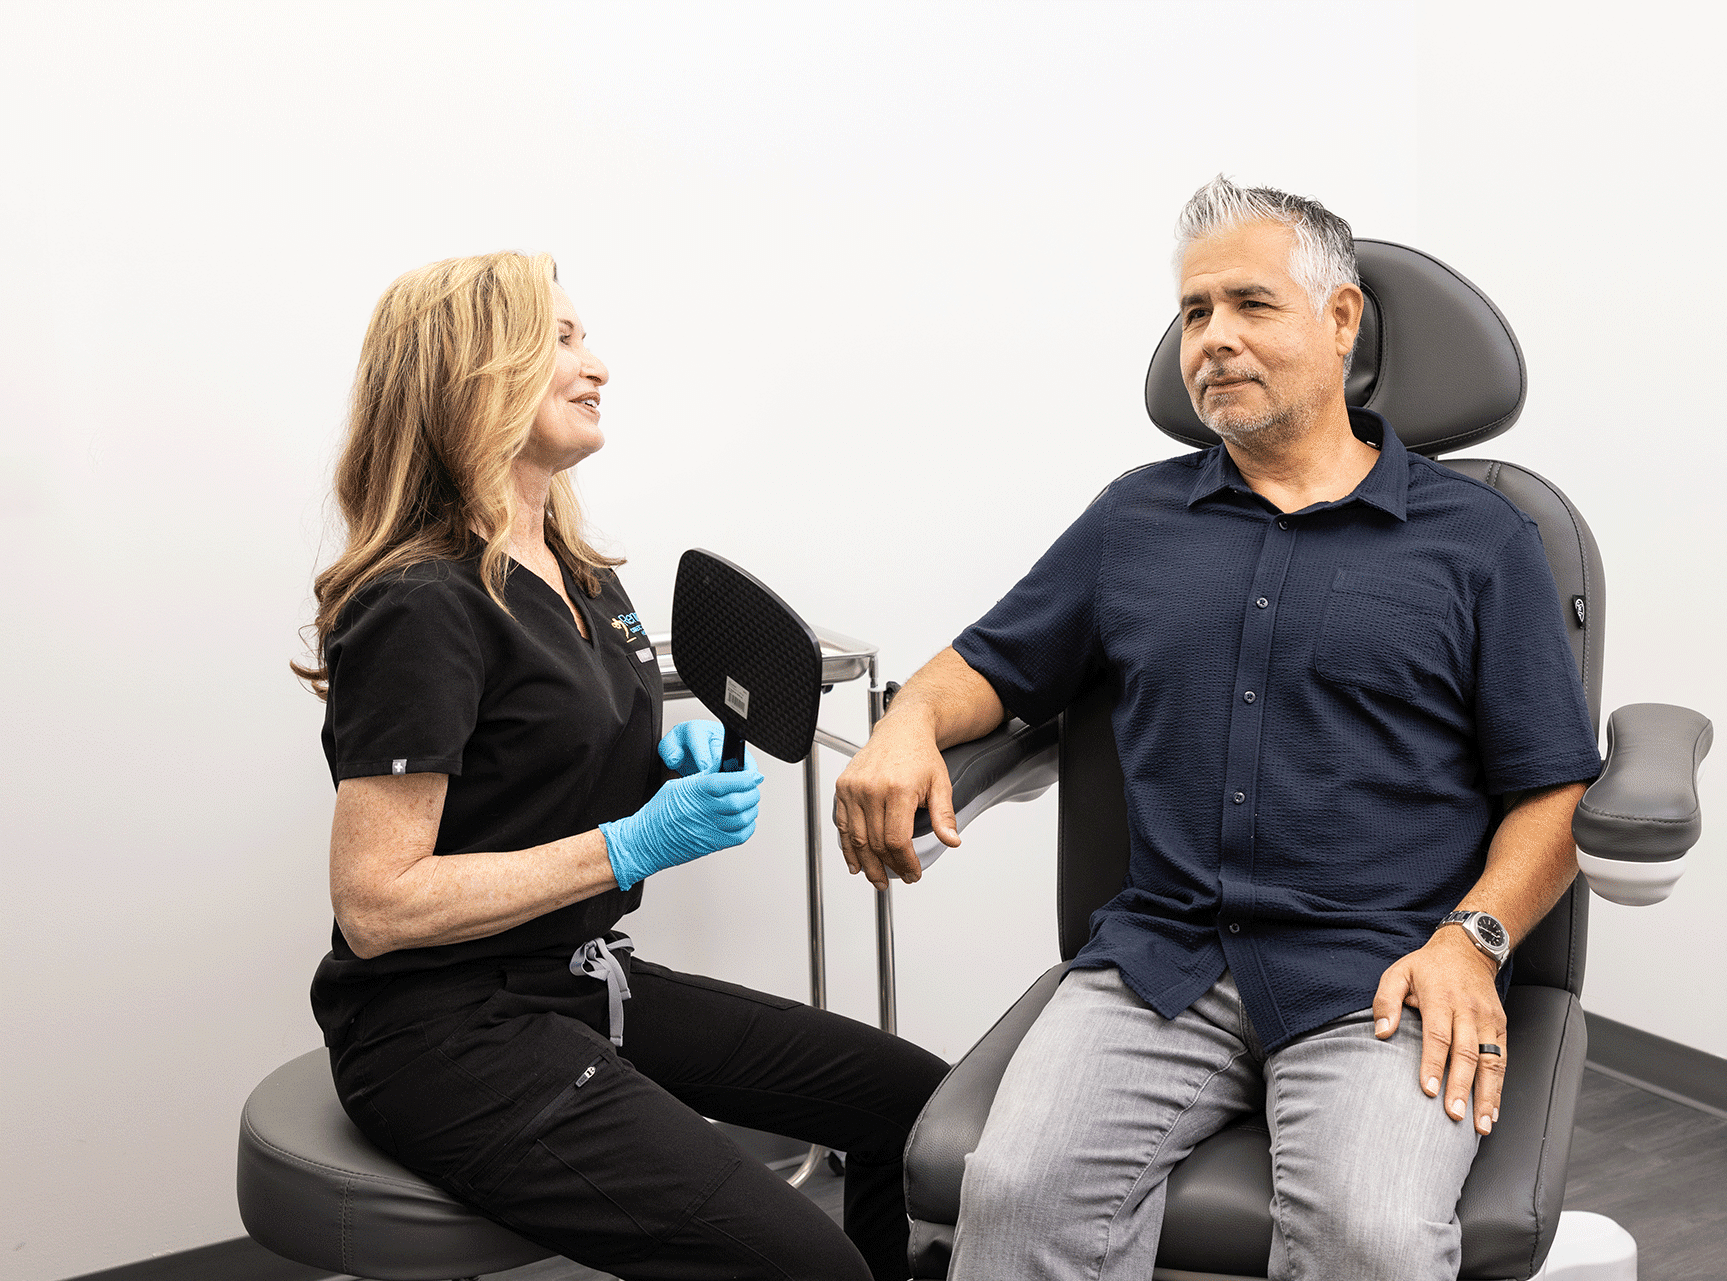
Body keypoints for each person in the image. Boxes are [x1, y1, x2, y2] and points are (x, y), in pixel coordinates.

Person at [832, 177, 1605, 1280]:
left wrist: (1472, 941)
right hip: (1160, 962)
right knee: (1013, 1194)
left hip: (1382, 971)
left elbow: (1555, 790)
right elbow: (988, 667)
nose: (1213, 340)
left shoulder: (1483, 539)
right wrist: (908, 720)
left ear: (1342, 323)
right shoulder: (1134, 519)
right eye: (1195, 314)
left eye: (1250, 305)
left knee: (1374, 1241)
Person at [296, 250, 947, 1281]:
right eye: (560, 338)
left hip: (581, 976)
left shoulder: (583, 574)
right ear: (474, 368)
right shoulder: (422, 602)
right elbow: (378, 904)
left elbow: (531, 770)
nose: (597, 364)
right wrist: (632, 843)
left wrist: (653, 770)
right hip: (442, 1031)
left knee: (922, 1111)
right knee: (805, 1267)